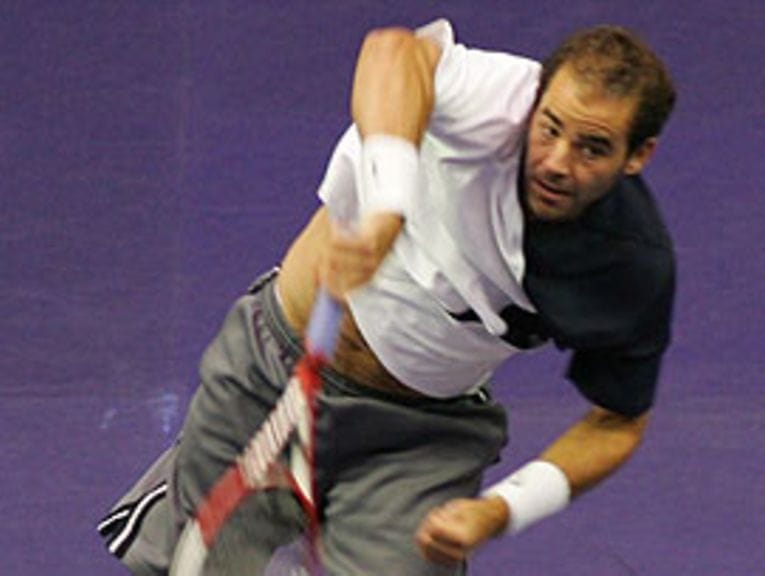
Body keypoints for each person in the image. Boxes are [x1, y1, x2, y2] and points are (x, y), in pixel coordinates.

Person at [98, 17, 676, 575]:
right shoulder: (501, 100)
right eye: (549, 127)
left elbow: (618, 422)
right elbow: (392, 52)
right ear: (536, 101)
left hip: (418, 437)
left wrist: (503, 509)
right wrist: (385, 212)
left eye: (592, 148)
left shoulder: (629, 268)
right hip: (272, 372)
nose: (556, 160)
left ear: (638, 154)